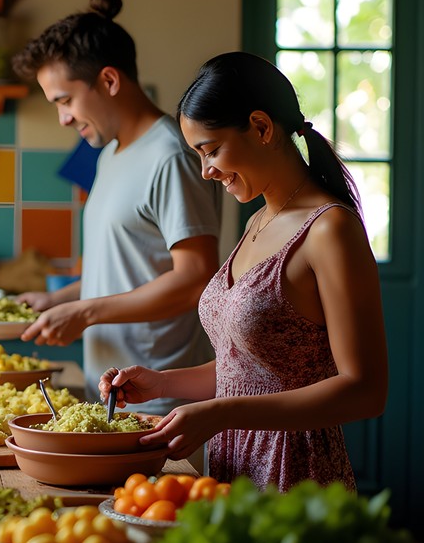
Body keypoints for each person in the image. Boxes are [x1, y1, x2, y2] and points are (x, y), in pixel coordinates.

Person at [100, 51, 387, 492]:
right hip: (233, 465)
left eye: (211, 150)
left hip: (296, 474)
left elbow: (365, 389)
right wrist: (159, 383)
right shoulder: (258, 221)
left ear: (261, 127)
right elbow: (249, 370)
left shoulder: (330, 230)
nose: (205, 171)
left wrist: (224, 412)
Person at [11, 0, 222, 415]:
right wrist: (62, 300)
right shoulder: (110, 154)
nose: (64, 119)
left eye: (65, 101)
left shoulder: (170, 156)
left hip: (158, 400)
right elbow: (130, 268)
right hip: (110, 393)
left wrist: (85, 313)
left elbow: (195, 277)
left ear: (109, 80)